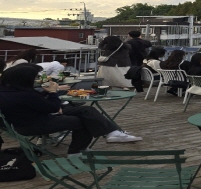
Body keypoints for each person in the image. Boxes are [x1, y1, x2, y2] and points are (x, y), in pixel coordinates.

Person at [0, 65, 142, 154]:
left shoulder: (9, 91)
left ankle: (112, 133)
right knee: (82, 121)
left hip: (27, 120)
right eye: (35, 77)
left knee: (86, 111)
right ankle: (77, 151)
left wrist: (48, 93)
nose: (36, 79)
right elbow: (52, 106)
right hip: (35, 124)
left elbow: (33, 103)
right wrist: (52, 92)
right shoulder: (24, 94)